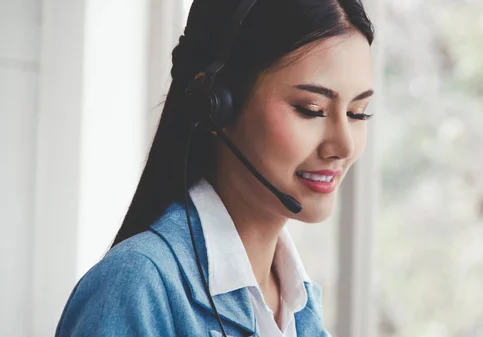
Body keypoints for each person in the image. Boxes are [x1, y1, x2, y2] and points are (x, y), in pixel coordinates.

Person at [55, 0, 375, 336]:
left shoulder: (300, 305)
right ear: (215, 104)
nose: (344, 145)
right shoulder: (137, 286)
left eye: (358, 113)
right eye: (311, 109)